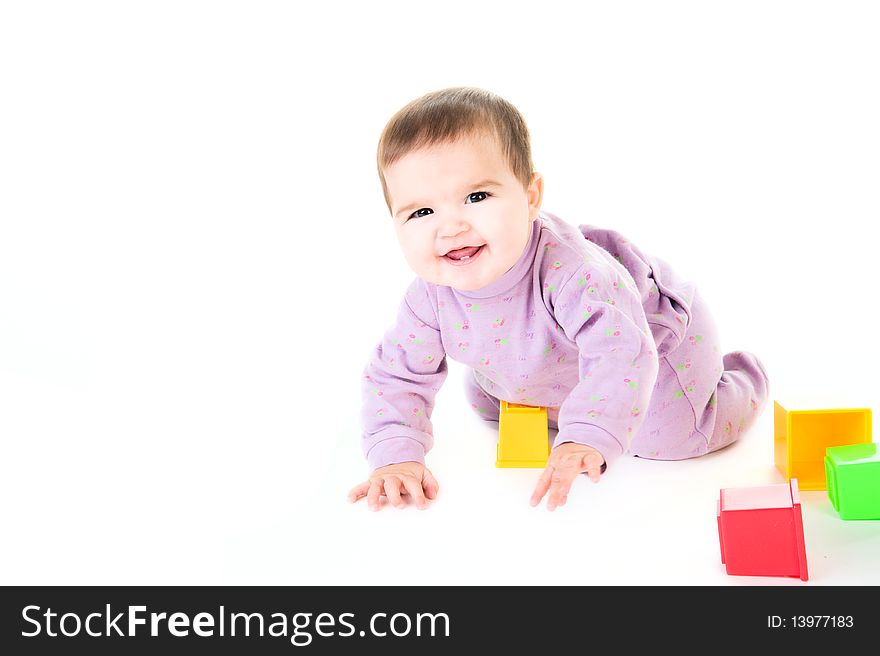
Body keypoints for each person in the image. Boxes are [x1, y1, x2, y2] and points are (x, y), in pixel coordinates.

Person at [348, 87, 769, 512]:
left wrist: (585, 434)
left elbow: (619, 354)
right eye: (421, 212)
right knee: (485, 401)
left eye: (476, 197)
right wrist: (396, 455)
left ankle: (741, 379)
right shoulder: (429, 298)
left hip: (651, 346)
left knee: (673, 436)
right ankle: (567, 401)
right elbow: (396, 376)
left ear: (530, 198)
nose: (451, 227)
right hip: (547, 363)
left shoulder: (573, 275)